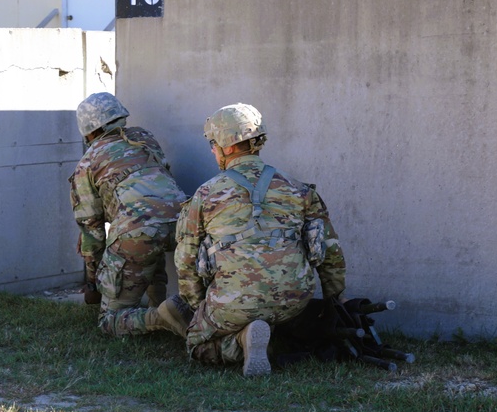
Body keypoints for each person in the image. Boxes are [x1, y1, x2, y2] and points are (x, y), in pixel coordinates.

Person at [159, 103, 346, 376]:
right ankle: (271, 335)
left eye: (213, 143)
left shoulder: (206, 195)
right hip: (294, 301)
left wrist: (199, 307)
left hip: (233, 303)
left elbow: (186, 261)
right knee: (274, 315)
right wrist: (335, 305)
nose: (212, 150)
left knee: (197, 344)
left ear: (228, 146)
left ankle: (242, 341)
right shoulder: (298, 188)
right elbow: (331, 253)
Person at [69, 92, 187, 336]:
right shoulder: (145, 138)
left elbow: (91, 232)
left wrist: (93, 281)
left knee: (109, 320)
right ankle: (166, 305)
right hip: (183, 221)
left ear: (88, 131)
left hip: (138, 231)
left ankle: (160, 317)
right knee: (146, 239)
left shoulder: (88, 162)